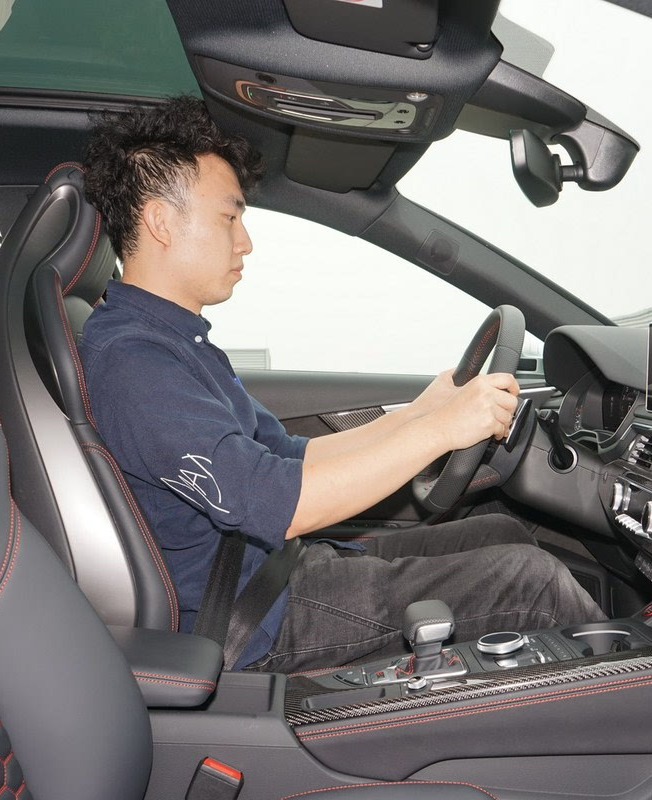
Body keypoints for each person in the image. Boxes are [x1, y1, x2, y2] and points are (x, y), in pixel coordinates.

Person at [79, 97, 606, 673]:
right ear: (160, 221)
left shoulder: (173, 341)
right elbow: (278, 502)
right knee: (533, 583)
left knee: (502, 530)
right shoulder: (134, 363)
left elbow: (291, 456)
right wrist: (441, 432)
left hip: (273, 570)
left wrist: (420, 413)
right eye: (229, 218)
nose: (245, 241)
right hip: (252, 618)